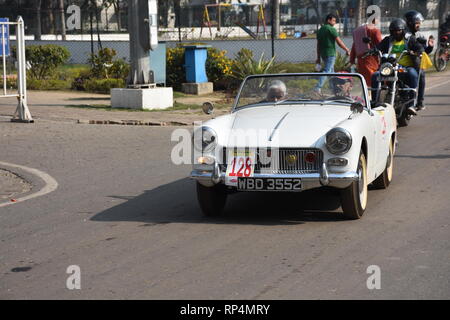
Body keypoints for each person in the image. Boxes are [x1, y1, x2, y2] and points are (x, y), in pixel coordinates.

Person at [371, 18, 424, 115]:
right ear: (391, 31)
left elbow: (419, 47)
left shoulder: (409, 39)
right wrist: (373, 50)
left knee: (413, 74)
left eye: (399, 30)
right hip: (390, 67)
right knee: (375, 75)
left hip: (406, 68)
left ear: (403, 30)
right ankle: (374, 101)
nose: (397, 33)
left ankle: (412, 104)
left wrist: (417, 52)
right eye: (394, 31)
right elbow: (378, 47)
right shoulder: (388, 40)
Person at [405, 10, 434, 111]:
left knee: (421, 74)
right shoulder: (403, 34)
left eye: (419, 23)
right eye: (417, 23)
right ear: (410, 23)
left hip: (414, 62)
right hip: (401, 61)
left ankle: (419, 102)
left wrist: (430, 47)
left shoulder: (419, 35)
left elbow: (424, 51)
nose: (419, 25)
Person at [314, 13, 351, 92]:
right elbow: (339, 42)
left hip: (323, 54)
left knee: (332, 72)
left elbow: (318, 45)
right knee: (327, 71)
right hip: (330, 54)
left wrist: (318, 58)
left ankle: (333, 90)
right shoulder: (331, 29)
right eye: (333, 21)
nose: (334, 23)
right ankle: (318, 88)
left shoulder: (320, 30)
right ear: (328, 20)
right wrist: (347, 49)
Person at [350, 14, 382, 87]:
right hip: (371, 60)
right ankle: (372, 97)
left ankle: (366, 96)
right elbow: (381, 45)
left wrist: (352, 59)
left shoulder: (358, 30)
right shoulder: (375, 31)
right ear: (374, 19)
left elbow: (354, 45)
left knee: (364, 82)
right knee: (373, 81)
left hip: (360, 60)